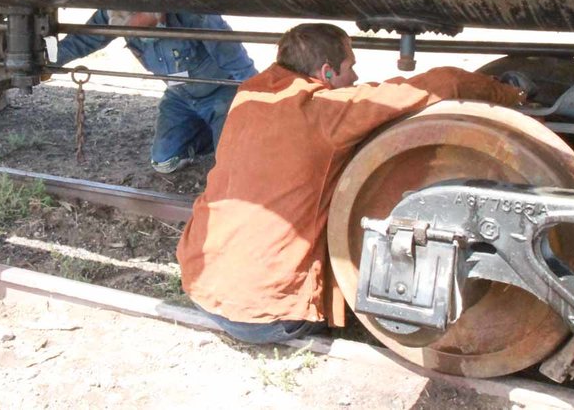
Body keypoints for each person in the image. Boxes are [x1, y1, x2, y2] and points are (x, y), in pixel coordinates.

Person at [176, 23, 525, 343]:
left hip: (201, 289)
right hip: (269, 318)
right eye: (351, 67)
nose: (356, 77)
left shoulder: (249, 95)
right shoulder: (328, 111)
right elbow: (445, 81)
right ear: (326, 73)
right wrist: (513, 95)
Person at [55, 10, 257, 173]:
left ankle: (223, 131)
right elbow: (79, 42)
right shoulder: (114, 12)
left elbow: (240, 66)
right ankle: (209, 135)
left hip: (221, 96)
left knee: (231, 167)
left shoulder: (197, 15)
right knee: (164, 162)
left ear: (158, 13)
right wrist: (46, 58)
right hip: (179, 98)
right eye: (131, 34)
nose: (139, 38)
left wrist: (266, 104)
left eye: (144, 30)